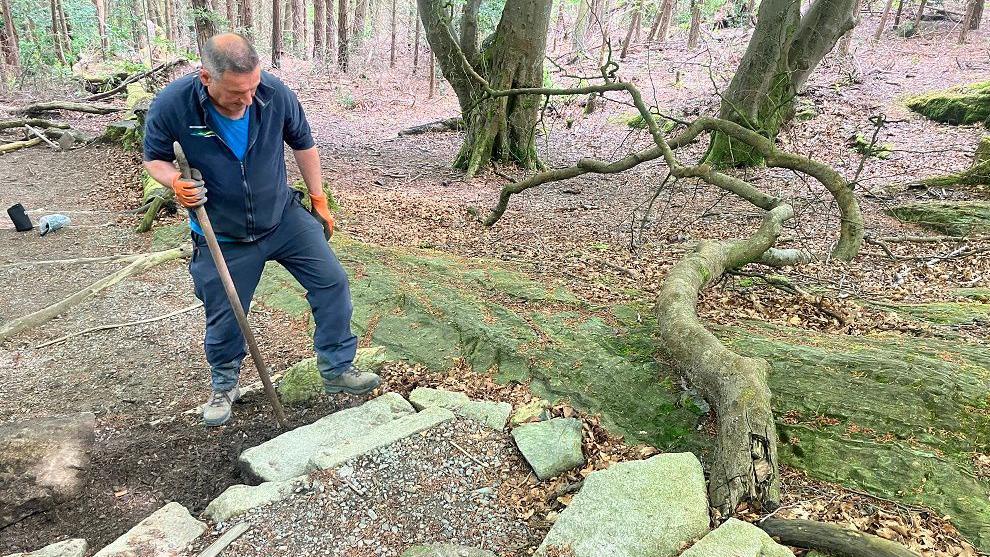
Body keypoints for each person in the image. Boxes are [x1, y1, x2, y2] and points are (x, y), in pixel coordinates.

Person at [143, 33, 380, 426]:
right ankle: (224, 385)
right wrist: (175, 183)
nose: (249, 99)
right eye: (237, 92)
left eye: (253, 87)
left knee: (332, 281)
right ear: (206, 78)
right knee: (227, 312)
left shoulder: (273, 93)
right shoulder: (174, 104)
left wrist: (319, 200)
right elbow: (154, 158)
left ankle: (337, 367)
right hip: (222, 232)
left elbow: (304, 144)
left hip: (282, 217)